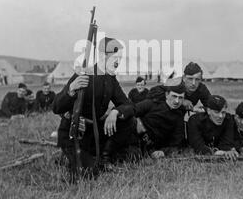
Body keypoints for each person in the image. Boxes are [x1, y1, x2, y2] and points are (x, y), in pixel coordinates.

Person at [52, 37, 131, 172]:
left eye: (120, 58)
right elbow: (56, 107)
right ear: (102, 55)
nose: (118, 62)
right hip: (75, 133)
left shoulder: (111, 79)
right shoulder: (83, 74)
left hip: (94, 132)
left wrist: (115, 112)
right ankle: (66, 157)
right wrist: (71, 89)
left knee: (127, 119)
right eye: (115, 57)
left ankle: (104, 157)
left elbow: (128, 105)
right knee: (89, 172)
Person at [102, 77, 187, 165]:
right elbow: (134, 109)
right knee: (125, 119)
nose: (177, 101)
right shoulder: (152, 103)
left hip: (143, 146)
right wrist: (116, 111)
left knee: (134, 156)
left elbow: (176, 143)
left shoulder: (179, 116)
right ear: (167, 94)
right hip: (130, 133)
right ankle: (105, 156)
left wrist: (163, 152)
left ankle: (106, 157)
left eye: (180, 98)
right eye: (174, 96)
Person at [187, 95, 238, 160]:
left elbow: (227, 142)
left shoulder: (228, 119)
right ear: (208, 111)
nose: (220, 116)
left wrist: (228, 150)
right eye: (216, 112)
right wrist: (215, 152)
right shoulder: (195, 120)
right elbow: (197, 146)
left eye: (223, 112)